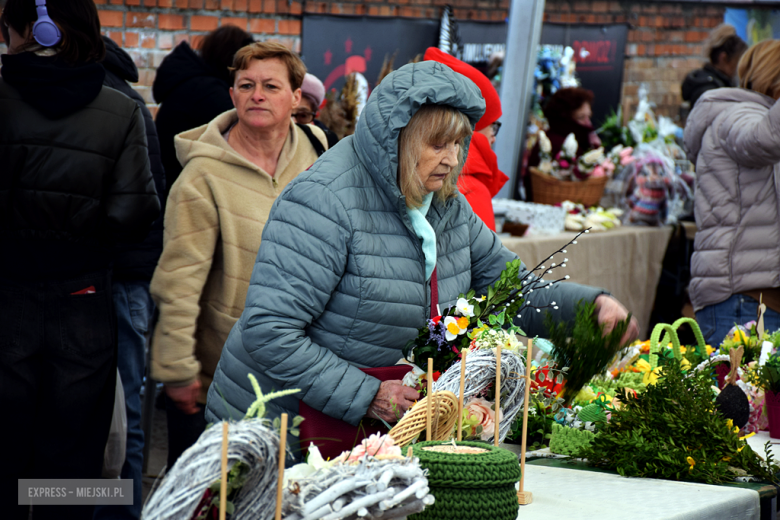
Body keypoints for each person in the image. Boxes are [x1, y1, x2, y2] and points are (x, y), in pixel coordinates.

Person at [204, 60, 639, 458]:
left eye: (458, 144)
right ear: (399, 139)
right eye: (437, 145)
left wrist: (589, 309)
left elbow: (510, 289)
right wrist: (366, 393)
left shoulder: (446, 205)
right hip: (282, 428)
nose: (452, 160)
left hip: (370, 430)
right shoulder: (323, 201)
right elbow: (269, 329)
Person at [0, 1, 160, 519]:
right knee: (78, 460)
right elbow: (136, 215)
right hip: (85, 297)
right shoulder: (121, 107)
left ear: (31, 29)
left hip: (7, 294)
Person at [150, 41, 328, 469]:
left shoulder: (320, 153)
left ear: (296, 97)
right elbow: (178, 281)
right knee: (214, 498)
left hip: (307, 369)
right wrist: (177, 369)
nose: (257, 95)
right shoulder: (202, 176)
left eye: (270, 85)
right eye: (245, 85)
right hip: (224, 378)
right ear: (231, 95)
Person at [94, 35, 166, 520]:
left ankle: (116, 513)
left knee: (121, 419)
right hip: (125, 277)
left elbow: (146, 200)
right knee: (126, 415)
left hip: (116, 278)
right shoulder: (128, 97)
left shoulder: (111, 100)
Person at [684, 39, 780, 346]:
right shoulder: (735, 115)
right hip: (743, 303)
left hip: (754, 301)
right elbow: (762, 139)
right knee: (737, 395)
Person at [153, 25, 254, 193]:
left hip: (173, 182)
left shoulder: (193, 83)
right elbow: (244, 134)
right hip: (184, 187)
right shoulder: (208, 91)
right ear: (232, 58)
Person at [424, 47, 508, 231]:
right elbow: (482, 259)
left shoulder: (412, 175)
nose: (493, 138)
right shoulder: (472, 190)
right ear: (472, 128)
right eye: (492, 126)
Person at [526, 87, 600, 200]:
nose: (588, 123)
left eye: (588, 117)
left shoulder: (577, 141)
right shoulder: (554, 144)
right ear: (564, 118)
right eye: (581, 117)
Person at [682, 24, 747, 111]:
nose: (739, 68)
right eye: (737, 62)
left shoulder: (708, 82)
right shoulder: (711, 92)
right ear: (723, 58)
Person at [296, 72, 339, 148]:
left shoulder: (327, 142)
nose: (293, 122)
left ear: (315, 114)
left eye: (302, 116)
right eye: (287, 115)